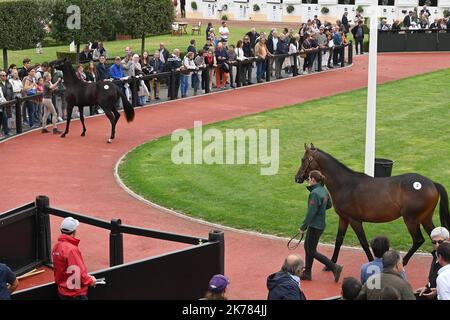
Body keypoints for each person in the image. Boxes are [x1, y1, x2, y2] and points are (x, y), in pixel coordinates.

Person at [299, 170, 343, 282]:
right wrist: (321, 209)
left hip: (315, 225)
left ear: (313, 180)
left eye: (309, 178)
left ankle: (334, 267)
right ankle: (307, 273)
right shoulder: (323, 190)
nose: (308, 180)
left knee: (312, 251)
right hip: (319, 225)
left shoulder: (314, 193)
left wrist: (303, 227)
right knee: (307, 247)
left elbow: (310, 213)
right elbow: (329, 204)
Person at [52, 217, 96, 300]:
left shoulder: (56, 246)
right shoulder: (72, 249)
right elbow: (79, 271)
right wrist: (90, 280)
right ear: (74, 231)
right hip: (75, 294)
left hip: (62, 292)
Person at [415, 227, 449, 300]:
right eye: (434, 242)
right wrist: (427, 287)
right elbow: (433, 277)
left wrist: (437, 292)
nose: (437, 245)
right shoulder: (435, 254)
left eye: (440, 242)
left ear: (448, 240)